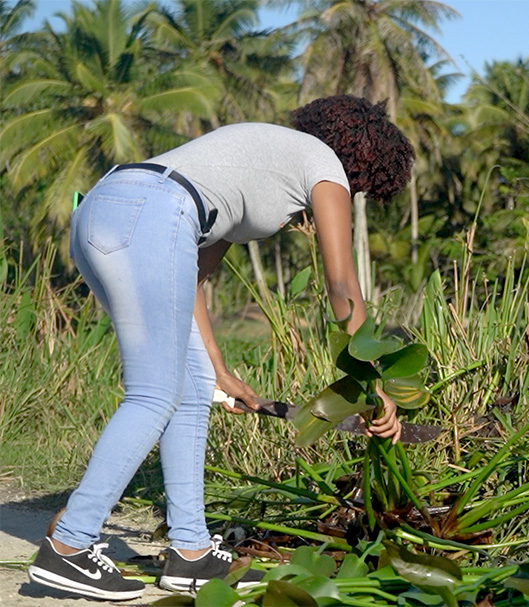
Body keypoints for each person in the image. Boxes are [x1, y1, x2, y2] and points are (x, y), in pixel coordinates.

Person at [26, 95, 413, 601]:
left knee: (190, 391)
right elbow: (341, 284)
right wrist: (372, 384)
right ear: (362, 165)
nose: (350, 196)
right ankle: (70, 545)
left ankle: (190, 553)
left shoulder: (269, 164)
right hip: (151, 214)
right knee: (154, 395)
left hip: (107, 210)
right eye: (360, 189)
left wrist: (218, 367)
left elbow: (192, 279)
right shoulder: (325, 166)